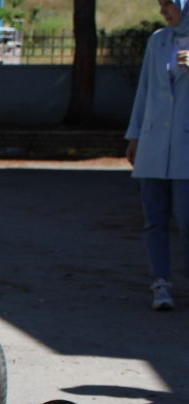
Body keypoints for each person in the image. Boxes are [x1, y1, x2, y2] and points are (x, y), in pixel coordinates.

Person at [125, 0, 189, 310]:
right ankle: (160, 282)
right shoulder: (157, 40)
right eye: (161, 4)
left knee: (186, 217)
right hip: (153, 143)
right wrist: (134, 135)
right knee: (154, 219)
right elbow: (145, 89)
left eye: (168, 4)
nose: (163, 11)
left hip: (185, 147)